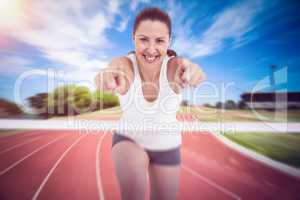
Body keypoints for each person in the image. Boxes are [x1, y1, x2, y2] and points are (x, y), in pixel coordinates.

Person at [95, 7, 205, 200]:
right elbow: (117, 67)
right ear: (133, 38)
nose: (151, 49)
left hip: (167, 144)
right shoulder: (125, 64)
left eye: (160, 41)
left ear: (169, 41)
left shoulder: (173, 67)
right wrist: (107, 76)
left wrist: (190, 69)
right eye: (143, 39)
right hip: (130, 139)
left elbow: (181, 65)